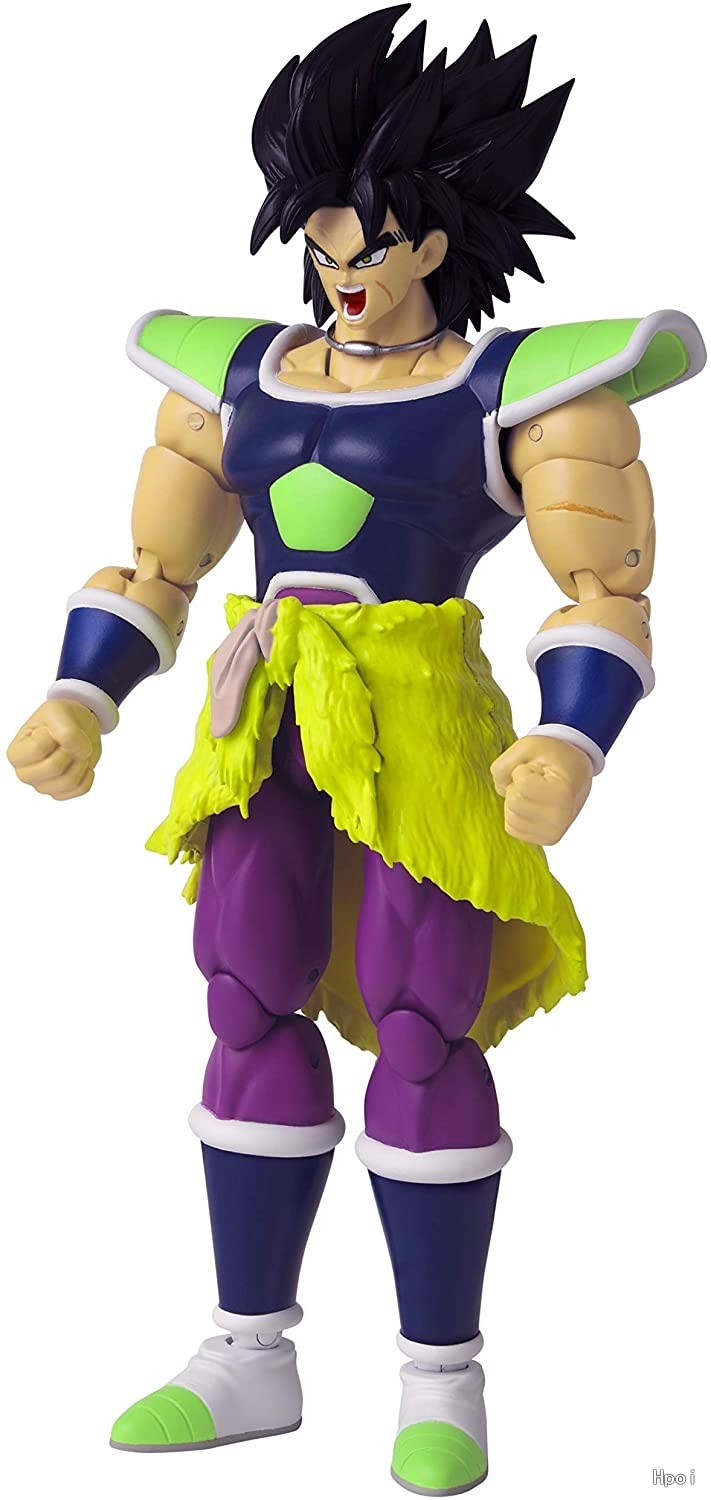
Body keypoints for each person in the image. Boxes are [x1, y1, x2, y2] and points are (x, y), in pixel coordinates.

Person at [6, 7, 704, 1493]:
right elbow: (157, 570)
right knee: (244, 1001)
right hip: (263, 721)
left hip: (423, 726)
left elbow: (604, 591)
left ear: (438, 238)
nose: (340, 269)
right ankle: (246, 1350)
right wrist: (81, 697)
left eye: (368, 240)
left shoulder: (522, 394)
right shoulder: (237, 377)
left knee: (422, 1023)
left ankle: (442, 1377)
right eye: (318, 238)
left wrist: (571, 741)